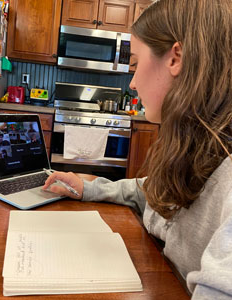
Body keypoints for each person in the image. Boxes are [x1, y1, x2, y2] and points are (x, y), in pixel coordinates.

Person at [43, 0, 232, 299]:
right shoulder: (195, 148)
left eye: (134, 63)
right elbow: (153, 193)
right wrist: (90, 189)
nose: (131, 82)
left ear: (175, 58)